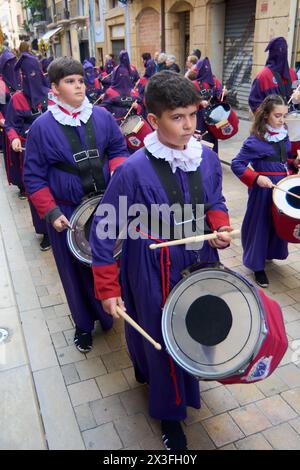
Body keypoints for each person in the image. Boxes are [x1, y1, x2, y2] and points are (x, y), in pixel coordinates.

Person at [90, 70, 233, 450]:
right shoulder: (133, 169)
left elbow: (215, 202)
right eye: (178, 117)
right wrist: (108, 286)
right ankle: (170, 415)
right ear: (154, 120)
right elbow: (104, 229)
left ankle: (185, 376)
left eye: (193, 115)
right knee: (158, 336)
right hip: (151, 264)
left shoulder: (206, 158)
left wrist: (219, 227)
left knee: (195, 325)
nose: (190, 126)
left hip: (198, 260)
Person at [23, 57, 129, 352]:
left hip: (106, 208)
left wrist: (118, 173)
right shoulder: (43, 127)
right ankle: (83, 325)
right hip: (68, 214)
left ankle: (111, 311)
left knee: (110, 263)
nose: (79, 86)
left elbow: (118, 147)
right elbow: (33, 175)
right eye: (70, 81)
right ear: (55, 88)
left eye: (81, 80)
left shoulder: (103, 116)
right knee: (74, 274)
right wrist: (51, 211)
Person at [231, 94, 300, 288]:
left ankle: (269, 254)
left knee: (276, 222)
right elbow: (237, 164)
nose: (282, 120)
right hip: (262, 189)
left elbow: (281, 160)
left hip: (281, 187)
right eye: (277, 116)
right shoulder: (254, 141)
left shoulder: (283, 134)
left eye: (284, 116)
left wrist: (293, 163)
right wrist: (256, 178)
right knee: (259, 224)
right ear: (265, 116)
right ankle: (256, 266)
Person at [5, 52, 51, 250]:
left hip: (52, 148)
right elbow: (10, 124)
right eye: (26, 75)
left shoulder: (51, 94)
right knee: (36, 189)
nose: (30, 79)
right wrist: (14, 138)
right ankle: (44, 231)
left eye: (34, 74)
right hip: (29, 150)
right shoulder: (16, 99)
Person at [249, 37, 298, 114]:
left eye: (283, 50)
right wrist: (268, 117)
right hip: (269, 124)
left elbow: (295, 100)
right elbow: (254, 103)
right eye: (278, 50)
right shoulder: (262, 76)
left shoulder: (293, 74)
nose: (281, 53)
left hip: (291, 122)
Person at [191, 57, 223, 152]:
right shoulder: (214, 82)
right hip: (210, 116)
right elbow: (220, 99)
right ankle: (212, 160)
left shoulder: (193, 84)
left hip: (201, 118)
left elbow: (187, 102)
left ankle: (206, 161)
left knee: (204, 139)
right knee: (207, 139)